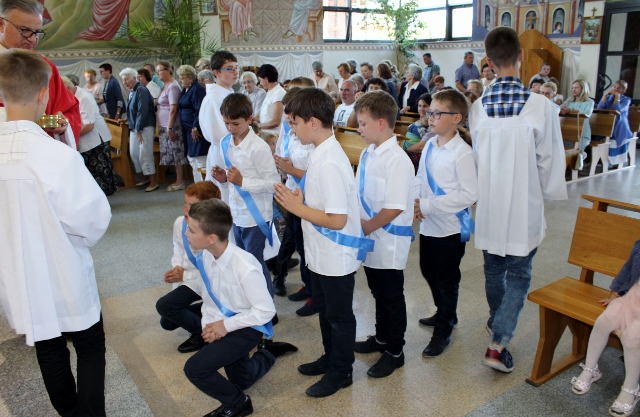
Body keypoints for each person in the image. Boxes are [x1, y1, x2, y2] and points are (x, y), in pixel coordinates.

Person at [0, 48, 111, 417]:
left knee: (48, 347)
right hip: (63, 270)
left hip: (20, 276)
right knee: (90, 345)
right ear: (44, 94)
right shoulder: (54, 155)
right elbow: (92, 220)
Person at [469, 27, 567, 373]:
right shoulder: (541, 106)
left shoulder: (478, 108)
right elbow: (549, 161)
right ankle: (498, 343)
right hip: (524, 205)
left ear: (489, 62)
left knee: (494, 270)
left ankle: (498, 320)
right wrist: (547, 195)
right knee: (520, 275)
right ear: (521, 56)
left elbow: (476, 161)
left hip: (490, 205)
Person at [274, 88, 368, 398]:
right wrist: (302, 199)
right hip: (321, 250)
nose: (292, 130)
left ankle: (342, 372)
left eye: (295, 123)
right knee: (327, 310)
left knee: (339, 316)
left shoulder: (329, 162)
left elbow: (338, 219)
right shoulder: (320, 151)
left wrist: (297, 207)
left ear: (313, 122)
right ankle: (330, 359)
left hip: (335, 253)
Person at [182, 198, 294, 417]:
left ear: (212, 238)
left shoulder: (245, 266)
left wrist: (225, 326)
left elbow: (265, 312)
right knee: (241, 379)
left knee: (195, 369)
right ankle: (266, 354)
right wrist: (209, 327)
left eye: (192, 230)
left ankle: (239, 403)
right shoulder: (205, 256)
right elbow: (210, 299)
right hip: (225, 323)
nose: (186, 234)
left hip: (248, 326)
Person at [352, 91, 414, 378]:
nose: (359, 129)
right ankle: (381, 337)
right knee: (377, 290)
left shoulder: (397, 160)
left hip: (387, 239)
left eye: (363, 123)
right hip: (370, 234)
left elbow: (394, 207)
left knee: (391, 295)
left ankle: (395, 351)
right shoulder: (368, 152)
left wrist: (365, 227)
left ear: (381, 123)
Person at [413, 89, 478, 358]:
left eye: (437, 113)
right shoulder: (430, 144)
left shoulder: (462, 153)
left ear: (456, 118)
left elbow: (469, 195)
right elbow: (419, 177)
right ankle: (445, 311)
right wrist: (415, 201)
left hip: (451, 227)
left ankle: (443, 330)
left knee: (446, 279)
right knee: (428, 270)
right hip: (429, 224)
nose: (430, 117)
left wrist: (428, 205)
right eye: (430, 112)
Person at [211, 93, 281, 296]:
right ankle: (250, 300)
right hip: (236, 213)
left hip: (255, 216)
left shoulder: (258, 147)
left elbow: (274, 184)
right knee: (241, 261)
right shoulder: (226, 143)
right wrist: (224, 179)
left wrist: (243, 182)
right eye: (226, 123)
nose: (231, 128)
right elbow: (233, 179)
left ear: (250, 119)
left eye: (236, 123)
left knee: (254, 263)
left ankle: (267, 305)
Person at [569, 240, 640, 417]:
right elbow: (628, 267)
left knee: (632, 338)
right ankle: (591, 368)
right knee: (603, 321)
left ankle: (631, 388)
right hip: (633, 298)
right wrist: (615, 293)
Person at [156, 182, 221, 353]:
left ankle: (204, 333)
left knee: (164, 306)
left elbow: (214, 273)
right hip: (188, 277)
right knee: (168, 321)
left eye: (192, 205)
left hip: (207, 280)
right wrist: (177, 267)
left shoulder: (216, 232)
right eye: (185, 203)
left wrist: (184, 276)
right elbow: (178, 247)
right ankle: (209, 313)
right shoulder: (181, 222)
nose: (186, 208)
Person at [272, 84, 315, 316]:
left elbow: (315, 174)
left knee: (308, 247)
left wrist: (290, 169)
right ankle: (308, 286)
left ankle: (316, 295)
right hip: (293, 195)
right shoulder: (291, 134)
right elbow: (284, 153)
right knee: (298, 243)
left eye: (292, 120)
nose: (288, 123)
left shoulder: (312, 139)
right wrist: (283, 167)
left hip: (309, 199)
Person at [61, 76, 117, 196]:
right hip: (87, 139)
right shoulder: (74, 95)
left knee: (99, 172)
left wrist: (71, 138)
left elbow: (88, 126)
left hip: (95, 139)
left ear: (68, 88)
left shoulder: (84, 97)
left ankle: (102, 199)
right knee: (92, 172)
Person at [199, 50, 238, 205]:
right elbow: (219, 134)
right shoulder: (213, 99)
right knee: (225, 198)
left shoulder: (228, 94)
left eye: (236, 68)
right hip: (224, 152)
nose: (235, 72)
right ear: (216, 72)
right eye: (229, 69)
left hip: (233, 150)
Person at [120, 67, 158, 192]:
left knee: (145, 154)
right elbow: (132, 110)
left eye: (126, 79)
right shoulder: (132, 91)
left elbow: (142, 110)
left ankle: (153, 181)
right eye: (123, 80)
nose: (124, 82)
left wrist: (138, 128)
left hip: (144, 126)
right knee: (134, 154)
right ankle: (145, 177)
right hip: (135, 127)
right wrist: (126, 120)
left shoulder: (141, 89)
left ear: (134, 78)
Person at [156, 60, 189, 191]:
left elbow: (173, 109)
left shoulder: (173, 86)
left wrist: (169, 128)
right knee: (171, 153)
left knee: (176, 153)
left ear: (168, 70)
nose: (157, 73)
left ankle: (180, 180)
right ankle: (177, 179)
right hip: (165, 125)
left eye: (160, 70)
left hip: (173, 126)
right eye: (157, 71)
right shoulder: (165, 85)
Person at [177, 64, 208, 183]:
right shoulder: (186, 89)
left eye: (182, 78)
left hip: (195, 129)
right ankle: (198, 184)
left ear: (190, 78)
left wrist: (195, 127)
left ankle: (203, 185)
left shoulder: (197, 89)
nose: (180, 80)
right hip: (187, 129)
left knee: (199, 159)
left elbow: (199, 109)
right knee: (192, 159)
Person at [598, 80, 633, 167]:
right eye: (614, 87)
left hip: (620, 125)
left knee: (615, 130)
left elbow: (617, 110)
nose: (616, 89)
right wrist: (605, 96)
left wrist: (617, 97)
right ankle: (600, 158)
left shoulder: (626, 100)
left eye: (619, 88)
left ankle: (616, 160)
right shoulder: (608, 98)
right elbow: (600, 109)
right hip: (608, 124)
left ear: (623, 91)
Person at [560, 79, 594, 158]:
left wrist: (571, 110)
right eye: (572, 88)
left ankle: (581, 157)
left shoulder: (590, 102)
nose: (574, 89)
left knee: (577, 151)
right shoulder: (569, 101)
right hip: (568, 132)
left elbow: (587, 113)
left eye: (576, 88)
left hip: (582, 134)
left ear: (583, 89)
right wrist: (561, 108)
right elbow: (561, 107)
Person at [402, 93, 436, 171]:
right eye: (419, 106)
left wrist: (403, 152)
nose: (421, 109)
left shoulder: (432, 124)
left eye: (425, 106)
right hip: (408, 150)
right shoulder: (418, 122)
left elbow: (421, 146)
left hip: (417, 155)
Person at [256, 64, 286, 135]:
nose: (260, 83)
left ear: (266, 79)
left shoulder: (278, 93)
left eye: (260, 80)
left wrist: (259, 126)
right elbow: (266, 117)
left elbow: (275, 122)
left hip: (275, 135)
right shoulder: (270, 91)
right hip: (268, 134)